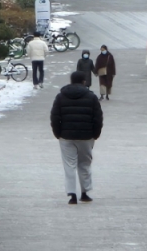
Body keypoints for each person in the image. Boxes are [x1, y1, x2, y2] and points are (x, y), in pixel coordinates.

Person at [50, 70, 103, 205]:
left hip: (66, 137)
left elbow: (55, 117)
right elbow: (98, 118)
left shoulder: (61, 96)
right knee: (84, 164)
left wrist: (58, 133)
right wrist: (95, 134)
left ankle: (72, 195)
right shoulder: (91, 97)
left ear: (71, 80)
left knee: (69, 165)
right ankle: (85, 193)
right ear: (84, 81)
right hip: (86, 136)